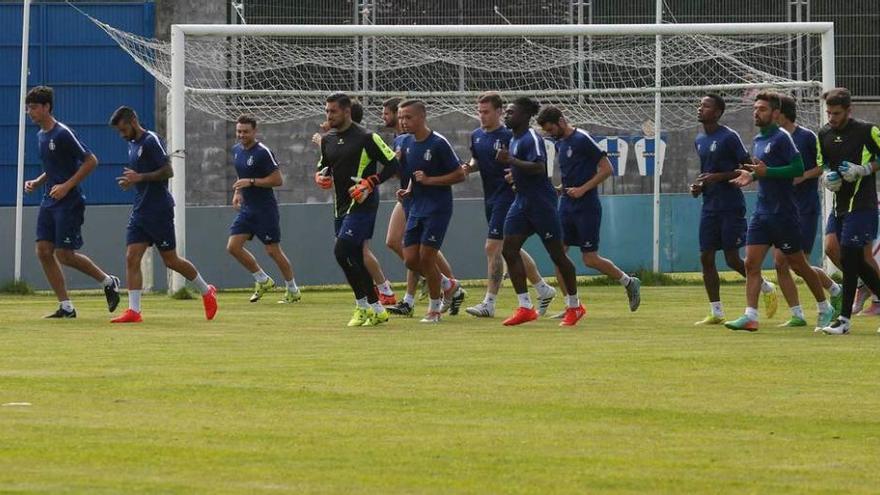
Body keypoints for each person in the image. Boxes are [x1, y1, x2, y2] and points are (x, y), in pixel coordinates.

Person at [725, 92, 834, 332]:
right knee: (751, 264)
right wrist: (751, 175)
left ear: (775, 113)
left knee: (800, 266)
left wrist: (766, 173)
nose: (757, 112)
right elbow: (764, 171)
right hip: (762, 213)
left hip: (784, 214)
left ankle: (825, 307)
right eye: (755, 108)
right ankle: (751, 316)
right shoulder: (757, 140)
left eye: (762, 109)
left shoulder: (783, 137)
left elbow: (798, 168)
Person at [107, 106, 218, 323]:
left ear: (133, 121)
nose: (122, 135)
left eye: (123, 130)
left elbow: (168, 171)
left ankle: (207, 291)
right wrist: (133, 182)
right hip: (140, 210)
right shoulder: (132, 144)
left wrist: (140, 178)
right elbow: (141, 176)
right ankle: (134, 311)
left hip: (159, 210)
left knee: (171, 261)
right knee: (132, 257)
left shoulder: (151, 141)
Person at [22, 85, 120, 318]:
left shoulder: (62, 133)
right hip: (49, 200)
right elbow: (54, 166)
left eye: (34, 107)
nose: (30, 112)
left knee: (64, 254)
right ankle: (66, 306)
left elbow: (91, 161)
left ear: (47, 107)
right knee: (43, 251)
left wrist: (67, 186)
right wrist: (37, 181)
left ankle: (108, 281)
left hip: (69, 201)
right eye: (28, 108)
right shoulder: (40, 135)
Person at [536, 105, 641, 313]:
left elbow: (607, 168)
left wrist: (583, 189)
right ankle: (571, 306)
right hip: (566, 204)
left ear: (561, 121)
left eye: (550, 129)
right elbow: (573, 173)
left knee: (590, 259)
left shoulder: (582, 139)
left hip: (586, 206)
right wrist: (561, 188)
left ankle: (628, 282)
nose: (549, 134)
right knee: (559, 254)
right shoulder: (560, 142)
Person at [463, 92, 556, 318]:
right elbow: (477, 160)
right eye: (479, 112)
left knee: (492, 247)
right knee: (508, 249)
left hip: (509, 197)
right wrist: (468, 167)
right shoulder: (476, 136)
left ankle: (489, 303)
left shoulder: (509, 135)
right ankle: (543, 289)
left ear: (499, 112)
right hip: (490, 197)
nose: (482, 116)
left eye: (486, 112)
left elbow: (524, 162)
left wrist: (514, 175)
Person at [690, 93, 778, 325]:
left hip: (730, 206)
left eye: (706, 106)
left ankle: (766, 286)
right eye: (700, 105)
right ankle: (716, 312)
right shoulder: (699, 139)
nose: (700, 109)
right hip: (709, 206)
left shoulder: (729, 137)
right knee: (706, 257)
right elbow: (705, 173)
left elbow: (746, 168)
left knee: (731, 259)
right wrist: (699, 185)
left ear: (717, 112)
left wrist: (718, 177)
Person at [497, 97, 584, 327]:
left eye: (511, 112)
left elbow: (539, 167)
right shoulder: (514, 138)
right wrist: (513, 172)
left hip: (541, 204)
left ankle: (575, 306)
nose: (506, 115)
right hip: (522, 202)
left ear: (525, 116)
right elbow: (521, 169)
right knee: (508, 249)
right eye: (506, 112)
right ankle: (525, 306)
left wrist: (512, 161)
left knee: (557, 255)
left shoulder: (531, 138)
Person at [316, 92, 398, 326]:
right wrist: (321, 177)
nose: (329, 115)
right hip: (339, 206)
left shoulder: (367, 137)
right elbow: (324, 167)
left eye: (333, 111)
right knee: (350, 256)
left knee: (342, 251)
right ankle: (373, 307)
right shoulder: (328, 139)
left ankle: (365, 305)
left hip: (363, 205)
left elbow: (393, 162)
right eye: (327, 111)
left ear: (346, 112)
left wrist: (371, 182)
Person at [381, 98, 466, 317]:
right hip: (413, 204)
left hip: (437, 206)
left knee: (427, 256)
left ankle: (434, 309)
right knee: (411, 259)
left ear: (422, 117)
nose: (404, 121)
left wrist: (430, 180)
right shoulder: (403, 142)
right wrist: (407, 188)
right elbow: (410, 174)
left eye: (408, 117)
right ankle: (449, 285)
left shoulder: (438, 143)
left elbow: (459, 174)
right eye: (401, 117)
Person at [772, 94, 842, 327]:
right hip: (781, 208)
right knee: (781, 263)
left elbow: (821, 166)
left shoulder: (807, 137)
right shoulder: (773, 138)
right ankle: (798, 314)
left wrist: (801, 177)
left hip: (804, 208)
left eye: (773, 110)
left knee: (797, 263)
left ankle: (832, 294)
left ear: (782, 112)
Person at [816, 88, 880, 334]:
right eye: (829, 113)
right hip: (839, 206)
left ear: (848, 110)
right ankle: (853, 307)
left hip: (862, 205)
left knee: (853, 258)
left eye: (837, 113)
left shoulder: (867, 130)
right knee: (836, 251)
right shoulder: (824, 134)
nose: (832, 118)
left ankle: (843, 320)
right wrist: (827, 177)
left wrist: (864, 169)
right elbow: (824, 164)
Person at [227, 115, 301, 304]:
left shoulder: (263, 152)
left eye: (245, 131)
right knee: (233, 247)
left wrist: (251, 182)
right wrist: (238, 191)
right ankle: (262, 279)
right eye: (239, 131)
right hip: (247, 209)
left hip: (264, 209)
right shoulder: (236, 150)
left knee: (272, 251)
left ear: (255, 131)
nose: (241, 135)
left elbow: (277, 180)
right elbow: (241, 174)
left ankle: (292, 289)